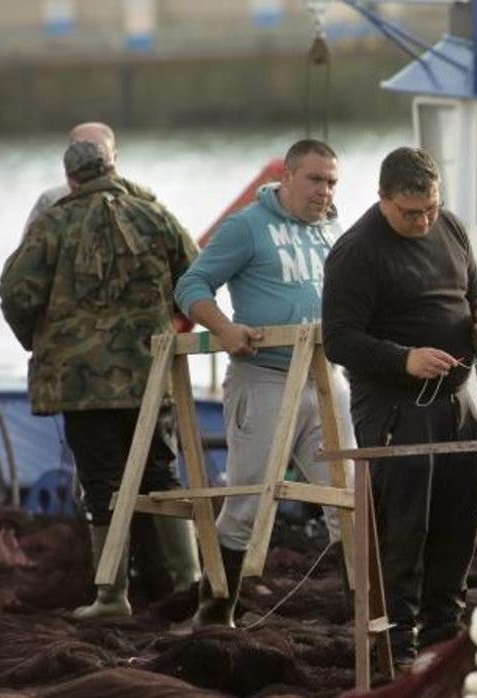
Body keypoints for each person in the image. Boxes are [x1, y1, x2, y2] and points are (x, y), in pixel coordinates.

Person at [0, 140, 201, 618]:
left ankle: (111, 596)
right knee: (160, 472)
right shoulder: (155, 215)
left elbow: (15, 291)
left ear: (71, 180)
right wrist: (162, 320)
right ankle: (190, 581)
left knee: (101, 480)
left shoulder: (52, 223)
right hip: (148, 372)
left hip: (80, 380)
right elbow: (195, 275)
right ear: (112, 167)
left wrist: (40, 339)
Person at [322, 146, 477, 661]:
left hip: (456, 399)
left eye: (430, 209)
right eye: (410, 213)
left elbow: (475, 283)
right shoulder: (357, 251)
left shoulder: (452, 228)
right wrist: (405, 359)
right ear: (382, 200)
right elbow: (339, 340)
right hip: (394, 405)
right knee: (405, 525)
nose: (423, 221)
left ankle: (444, 630)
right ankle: (397, 641)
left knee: (460, 514)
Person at [174, 138, 353, 627]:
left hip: (326, 378)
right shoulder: (247, 226)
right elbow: (190, 285)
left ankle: (363, 614)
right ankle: (215, 613)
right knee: (248, 503)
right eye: (315, 179)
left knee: (351, 500)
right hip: (266, 378)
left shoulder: (333, 229)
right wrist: (226, 329)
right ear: (289, 177)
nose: (324, 191)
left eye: (333, 181)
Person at [25, 122, 118, 230]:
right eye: (81, 150)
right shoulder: (51, 201)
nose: (90, 157)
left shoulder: (133, 201)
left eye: (100, 152)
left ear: (114, 158)